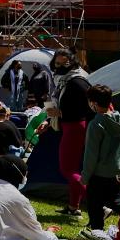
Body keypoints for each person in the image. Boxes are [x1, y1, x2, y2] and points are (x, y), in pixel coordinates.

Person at [81, 84, 120, 231]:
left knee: (94, 205)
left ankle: (97, 232)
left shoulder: (96, 124)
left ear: (93, 103)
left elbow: (91, 155)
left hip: (98, 174)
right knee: (116, 200)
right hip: (118, 171)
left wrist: (85, 176)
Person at [47, 47, 92, 217]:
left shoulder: (77, 81)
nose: (57, 66)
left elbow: (88, 108)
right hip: (69, 125)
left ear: (71, 62)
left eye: (62, 63)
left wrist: (61, 113)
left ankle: (99, 205)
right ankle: (73, 208)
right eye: (56, 62)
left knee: (68, 170)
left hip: (75, 126)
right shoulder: (66, 79)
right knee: (72, 169)